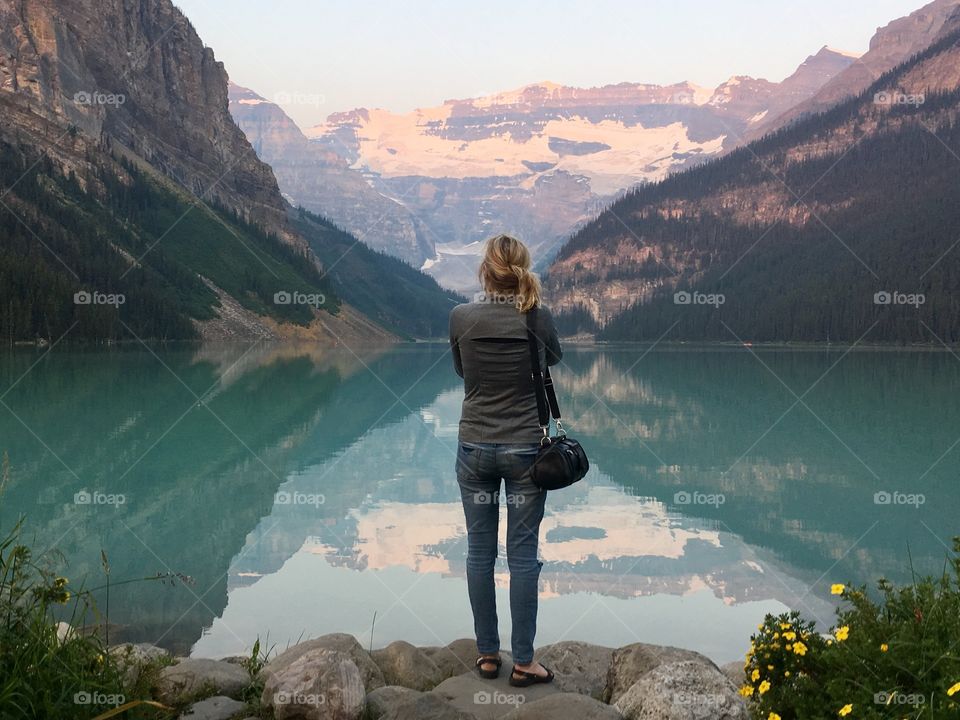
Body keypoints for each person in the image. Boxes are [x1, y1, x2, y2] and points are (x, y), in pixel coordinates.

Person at [448, 233, 562, 687]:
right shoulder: (538, 317)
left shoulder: (461, 317)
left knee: (479, 553)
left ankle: (487, 655)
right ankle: (525, 662)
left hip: (474, 449)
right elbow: (552, 359)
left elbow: (462, 370)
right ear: (522, 270)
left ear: (486, 271)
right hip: (525, 452)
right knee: (523, 556)